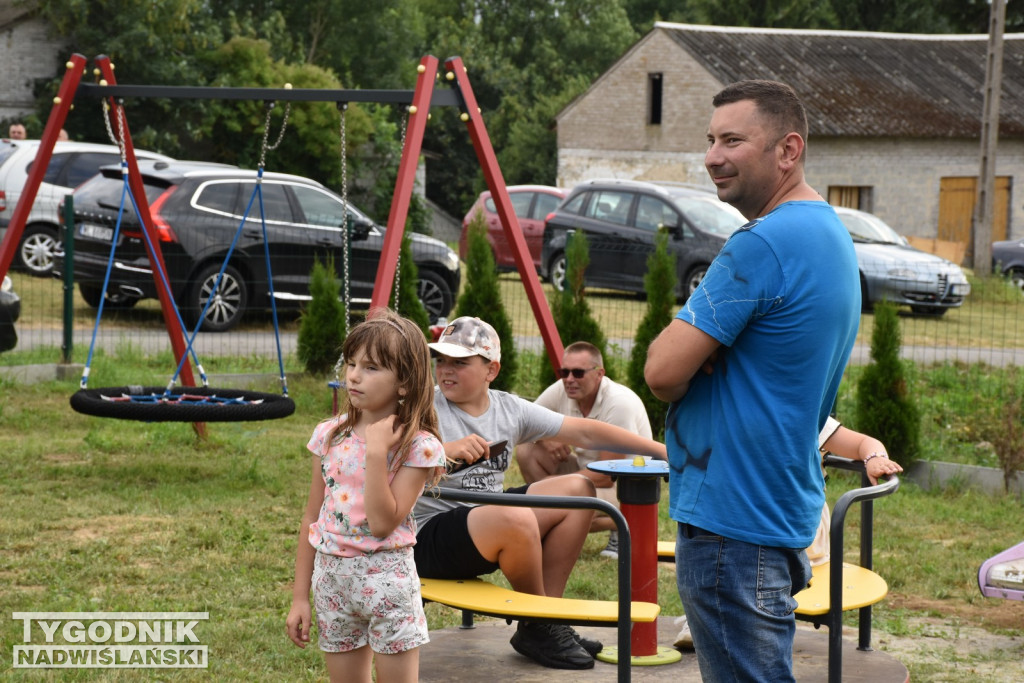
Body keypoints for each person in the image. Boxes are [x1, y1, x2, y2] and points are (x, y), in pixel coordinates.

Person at [644, 79, 862, 682]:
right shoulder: (828, 234)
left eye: (734, 140)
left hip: (733, 523)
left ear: (788, 150)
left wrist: (690, 349)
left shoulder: (763, 243)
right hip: (776, 510)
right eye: (711, 139)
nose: (713, 156)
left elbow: (661, 371)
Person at [414, 316, 667, 670]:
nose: (445, 370)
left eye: (460, 362)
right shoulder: (423, 407)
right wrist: (441, 449)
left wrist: (662, 451)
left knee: (579, 489)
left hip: (487, 522)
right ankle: (544, 622)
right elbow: (385, 451)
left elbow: (587, 433)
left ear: (492, 370)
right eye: (441, 360)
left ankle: (543, 621)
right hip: (428, 536)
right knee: (513, 516)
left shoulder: (508, 408)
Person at [286, 309, 446, 683]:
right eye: (351, 363)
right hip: (331, 585)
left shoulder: (418, 447)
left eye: (371, 367)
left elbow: (382, 523)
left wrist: (376, 452)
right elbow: (312, 517)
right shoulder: (329, 435)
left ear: (404, 383)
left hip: (388, 586)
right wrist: (300, 597)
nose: (354, 375)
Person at [673, 419, 903, 649]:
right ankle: (714, 619)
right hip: (750, 523)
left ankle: (720, 621)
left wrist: (875, 457)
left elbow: (864, 442)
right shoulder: (740, 413)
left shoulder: (805, 415)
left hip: (799, 532)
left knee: (734, 561)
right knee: (712, 545)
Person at [516, 341, 653, 559]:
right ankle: (552, 515)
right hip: (587, 472)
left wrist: (553, 488)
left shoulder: (619, 403)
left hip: (625, 486)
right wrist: (545, 438)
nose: (569, 379)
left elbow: (607, 475)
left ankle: (623, 524)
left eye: (578, 373)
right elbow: (523, 423)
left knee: (557, 512)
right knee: (527, 450)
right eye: (564, 372)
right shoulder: (562, 389)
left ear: (599, 374)